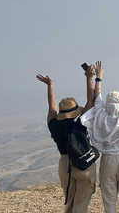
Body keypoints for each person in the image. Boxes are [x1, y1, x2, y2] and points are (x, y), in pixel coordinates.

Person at [36, 65, 97, 213]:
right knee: (81, 203)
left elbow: (52, 107)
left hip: (64, 164)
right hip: (84, 162)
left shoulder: (54, 125)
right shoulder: (81, 122)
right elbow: (91, 101)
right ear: (76, 111)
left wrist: (50, 86)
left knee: (69, 202)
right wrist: (89, 78)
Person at [80, 61, 119, 213]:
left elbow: (97, 96)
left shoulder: (100, 113)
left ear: (107, 104)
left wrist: (98, 77)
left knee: (109, 199)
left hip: (108, 160)